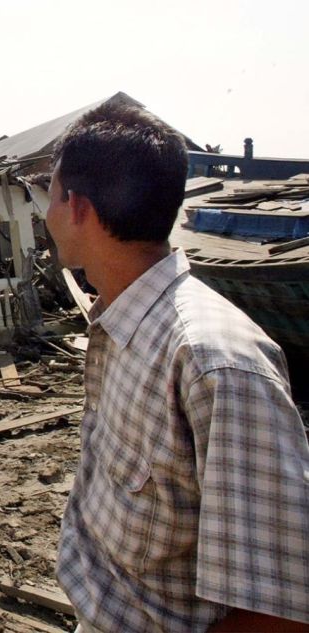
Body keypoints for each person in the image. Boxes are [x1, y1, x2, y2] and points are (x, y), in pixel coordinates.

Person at [46, 102, 309, 632]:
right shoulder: (122, 325)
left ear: (78, 209)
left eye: (48, 196)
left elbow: (278, 613)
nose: (45, 215)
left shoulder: (216, 364)